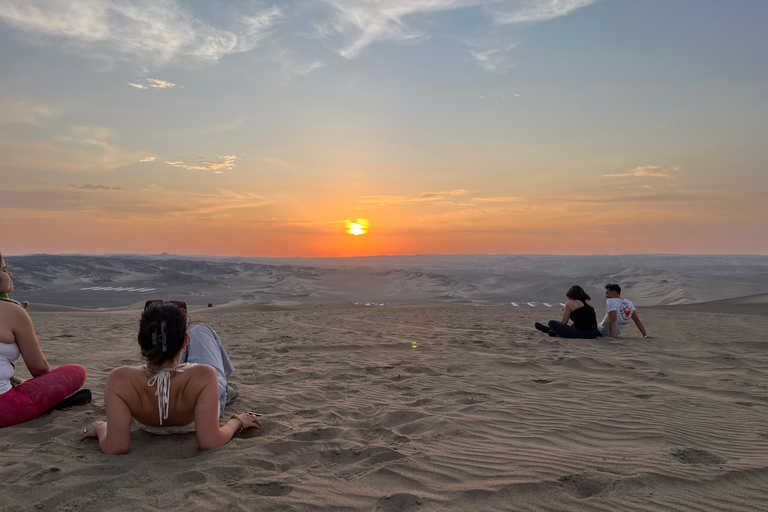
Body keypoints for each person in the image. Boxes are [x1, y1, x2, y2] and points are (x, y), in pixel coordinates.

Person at [82, 300, 260, 454]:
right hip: (200, 392)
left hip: (149, 416)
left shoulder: (119, 379)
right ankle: (224, 391)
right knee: (202, 331)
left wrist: (100, 428)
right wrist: (236, 422)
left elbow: (115, 447)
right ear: (185, 341)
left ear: (139, 340)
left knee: (164, 356)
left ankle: (164, 348)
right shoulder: (205, 375)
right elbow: (211, 442)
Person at [0, 253, 90, 428]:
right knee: (77, 371)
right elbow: (39, 369)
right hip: (5, 407)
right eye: (4, 269)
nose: (9, 274)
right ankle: (47, 406)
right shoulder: (12, 311)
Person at [535, 285, 599, 338]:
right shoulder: (589, 302)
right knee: (575, 324)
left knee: (551, 323)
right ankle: (554, 332)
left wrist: (564, 314)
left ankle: (548, 329)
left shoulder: (570, 303)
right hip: (593, 333)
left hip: (580, 333)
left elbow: (564, 322)